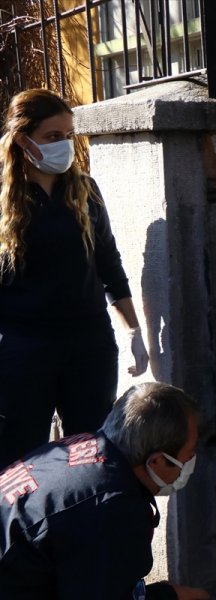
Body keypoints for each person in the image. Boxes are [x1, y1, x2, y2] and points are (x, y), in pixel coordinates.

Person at [0, 89, 148, 469]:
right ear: (22, 140)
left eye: (68, 135)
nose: (64, 145)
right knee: (20, 459)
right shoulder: (4, 201)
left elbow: (108, 263)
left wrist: (133, 331)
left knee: (91, 455)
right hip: (23, 350)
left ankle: (79, 527)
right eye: (53, 137)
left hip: (89, 345)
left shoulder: (85, 191)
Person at [0, 381, 209, 599]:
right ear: (156, 461)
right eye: (190, 454)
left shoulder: (83, 447)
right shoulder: (114, 509)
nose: (191, 461)